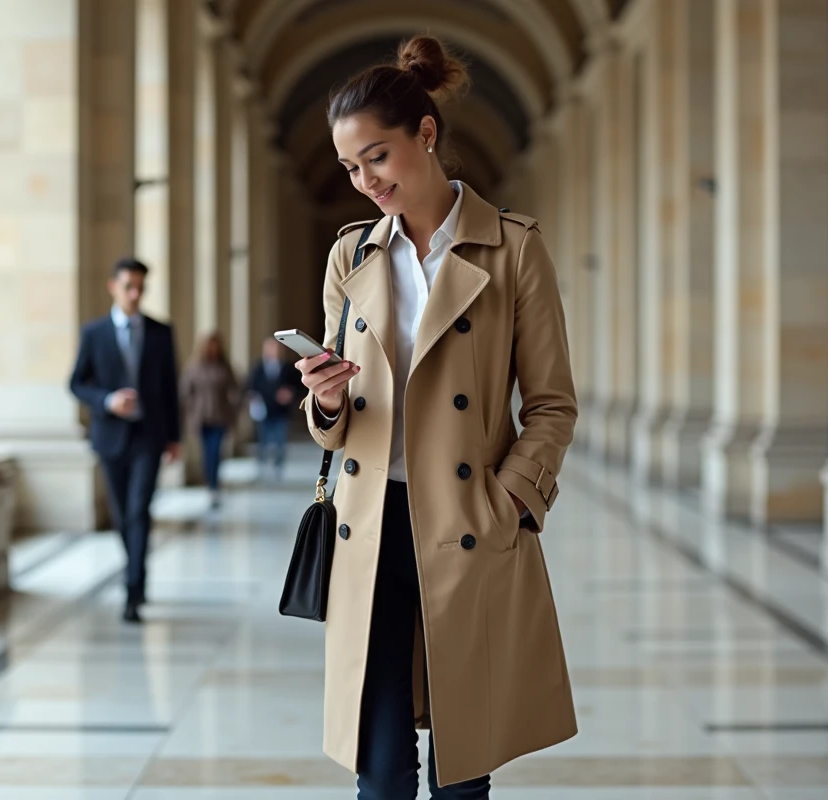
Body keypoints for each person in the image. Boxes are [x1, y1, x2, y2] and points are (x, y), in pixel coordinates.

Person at [293, 35, 579, 799]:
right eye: (352, 167)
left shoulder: (513, 250)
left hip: (465, 522)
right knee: (380, 775)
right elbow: (339, 416)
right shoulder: (348, 256)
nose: (364, 182)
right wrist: (324, 400)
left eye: (376, 157)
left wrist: (513, 501)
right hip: (370, 528)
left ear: (426, 133)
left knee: (462, 774)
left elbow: (551, 402)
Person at [69, 258, 181, 624]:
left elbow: (170, 388)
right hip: (110, 437)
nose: (135, 294)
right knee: (121, 515)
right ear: (113, 287)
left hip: (149, 435)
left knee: (138, 510)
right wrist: (107, 400)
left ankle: (133, 588)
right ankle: (135, 569)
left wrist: (175, 438)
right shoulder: (94, 333)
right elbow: (76, 383)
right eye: (129, 286)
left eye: (140, 287)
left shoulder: (160, 332)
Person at [181, 332, 239, 509]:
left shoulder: (223, 367)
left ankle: (214, 485)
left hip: (220, 417)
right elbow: (185, 392)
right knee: (206, 453)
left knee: (215, 452)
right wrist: (191, 411)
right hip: (201, 418)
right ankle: (209, 484)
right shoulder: (194, 367)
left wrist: (233, 409)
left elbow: (236, 389)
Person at [247, 337, 304, 481]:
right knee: (262, 440)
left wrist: (289, 393)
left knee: (280, 440)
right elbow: (251, 386)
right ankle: (262, 466)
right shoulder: (258, 367)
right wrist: (254, 398)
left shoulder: (288, 368)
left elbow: (298, 386)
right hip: (264, 411)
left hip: (281, 411)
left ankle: (278, 466)